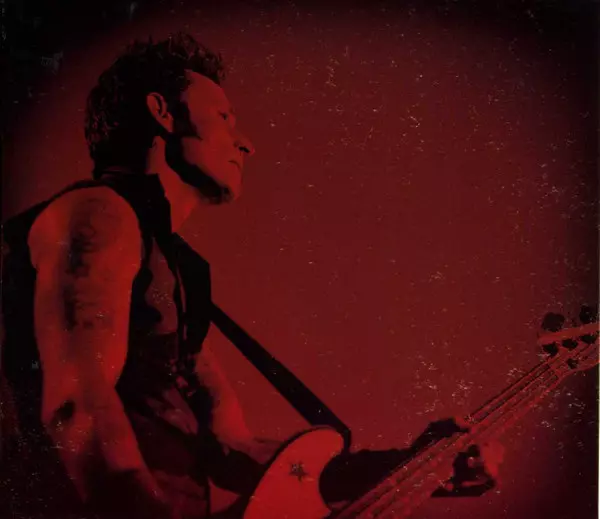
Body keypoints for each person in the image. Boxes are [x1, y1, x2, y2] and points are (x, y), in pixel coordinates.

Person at [0, 33, 501, 519]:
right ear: (163, 112)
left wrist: (410, 464)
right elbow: (75, 408)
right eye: (224, 118)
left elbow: (233, 450)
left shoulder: (172, 277)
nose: (246, 144)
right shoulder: (99, 214)